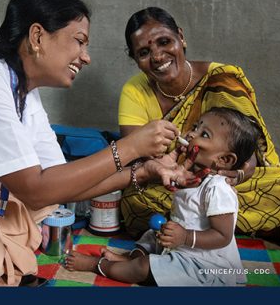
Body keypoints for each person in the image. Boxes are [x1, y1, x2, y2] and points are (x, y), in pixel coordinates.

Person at [0, 0, 197, 286]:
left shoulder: (25, 91)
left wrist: (144, 170)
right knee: (19, 219)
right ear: (37, 37)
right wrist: (131, 147)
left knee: (25, 219)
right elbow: (36, 189)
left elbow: (62, 183)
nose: (86, 58)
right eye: (80, 42)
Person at [118, 7, 280, 244]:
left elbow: (248, 148)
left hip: (231, 179)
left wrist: (238, 173)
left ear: (181, 37)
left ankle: (205, 224)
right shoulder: (134, 91)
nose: (157, 56)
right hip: (173, 183)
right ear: (136, 60)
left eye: (164, 42)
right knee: (133, 198)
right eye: (144, 52)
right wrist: (174, 173)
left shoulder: (222, 78)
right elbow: (135, 160)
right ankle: (261, 225)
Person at [66, 107, 259, 286]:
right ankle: (130, 260)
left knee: (145, 268)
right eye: (195, 127)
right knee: (151, 237)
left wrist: (184, 237)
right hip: (181, 246)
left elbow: (222, 236)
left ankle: (98, 265)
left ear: (224, 160)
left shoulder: (218, 189)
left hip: (205, 265)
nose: (191, 134)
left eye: (204, 134)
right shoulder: (190, 175)